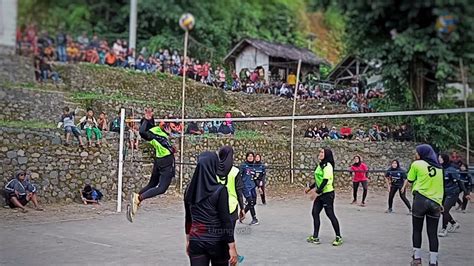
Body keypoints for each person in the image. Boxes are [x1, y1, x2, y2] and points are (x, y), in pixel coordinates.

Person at [184, 151, 238, 266]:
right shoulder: (220, 190)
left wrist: (188, 239)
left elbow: (188, 218)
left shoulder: (190, 189)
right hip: (217, 242)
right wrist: (232, 246)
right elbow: (225, 220)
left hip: (196, 240)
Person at [127, 109, 176, 222]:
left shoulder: (157, 130)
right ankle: (139, 198)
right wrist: (146, 119)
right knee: (161, 188)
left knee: (152, 184)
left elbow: (150, 126)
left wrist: (149, 118)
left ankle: (136, 200)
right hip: (165, 162)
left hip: (159, 160)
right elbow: (143, 132)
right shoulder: (155, 134)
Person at [408, 144, 444, 266]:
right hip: (435, 202)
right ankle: (433, 261)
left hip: (420, 200)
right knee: (432, 233)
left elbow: (410, 179)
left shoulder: (417, 164)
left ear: (422, 154)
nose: (415, 154)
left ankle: (417, 258)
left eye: (417, 152)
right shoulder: (439, 168)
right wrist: (440, 203)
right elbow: (441, 187)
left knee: (417, 229)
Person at [305, 148, 343, 246]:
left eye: (322, 152)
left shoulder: (328, 166)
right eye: (320, 152)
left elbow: (325, 181)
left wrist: (316, 192)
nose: (320, 154)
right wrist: (310, 188)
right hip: (320, 193)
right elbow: (319, 180)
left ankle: (338, 237)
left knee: (330, 214)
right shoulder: (320, 165)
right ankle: (315, 236)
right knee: (315, 212)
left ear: (326, 154)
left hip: (327, 194)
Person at [216, 146, 245, 264]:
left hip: (216, 206)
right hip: (231, 206)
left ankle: (233, 255)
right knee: (229, 234)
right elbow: (239, 191)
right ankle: (231, 258)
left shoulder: (213, 169)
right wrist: (242, 208)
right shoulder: (235, 171)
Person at [437, 154, 468, 237]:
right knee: (441, 210)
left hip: (453, 193)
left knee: (445, 210)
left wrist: (466, 193)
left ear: (444, 159)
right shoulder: (440, 169)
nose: (438, 159)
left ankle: (444, 229)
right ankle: (454, 223)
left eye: (440, 158)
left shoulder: (451, 170)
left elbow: (459, 182)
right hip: (443, 193)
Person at [239, 152, 259, 225]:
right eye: (249, 156)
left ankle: (242, 213)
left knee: (254, 202)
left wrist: (259, 187)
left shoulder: (253, 167)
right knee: (250, 202)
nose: (250, 157)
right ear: (246, 157)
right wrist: (240, 186)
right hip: (245, 187)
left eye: (252, 156)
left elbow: (255, 178)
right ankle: (254, 218)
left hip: (252, 187)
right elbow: (239, 177)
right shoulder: (243, 166)